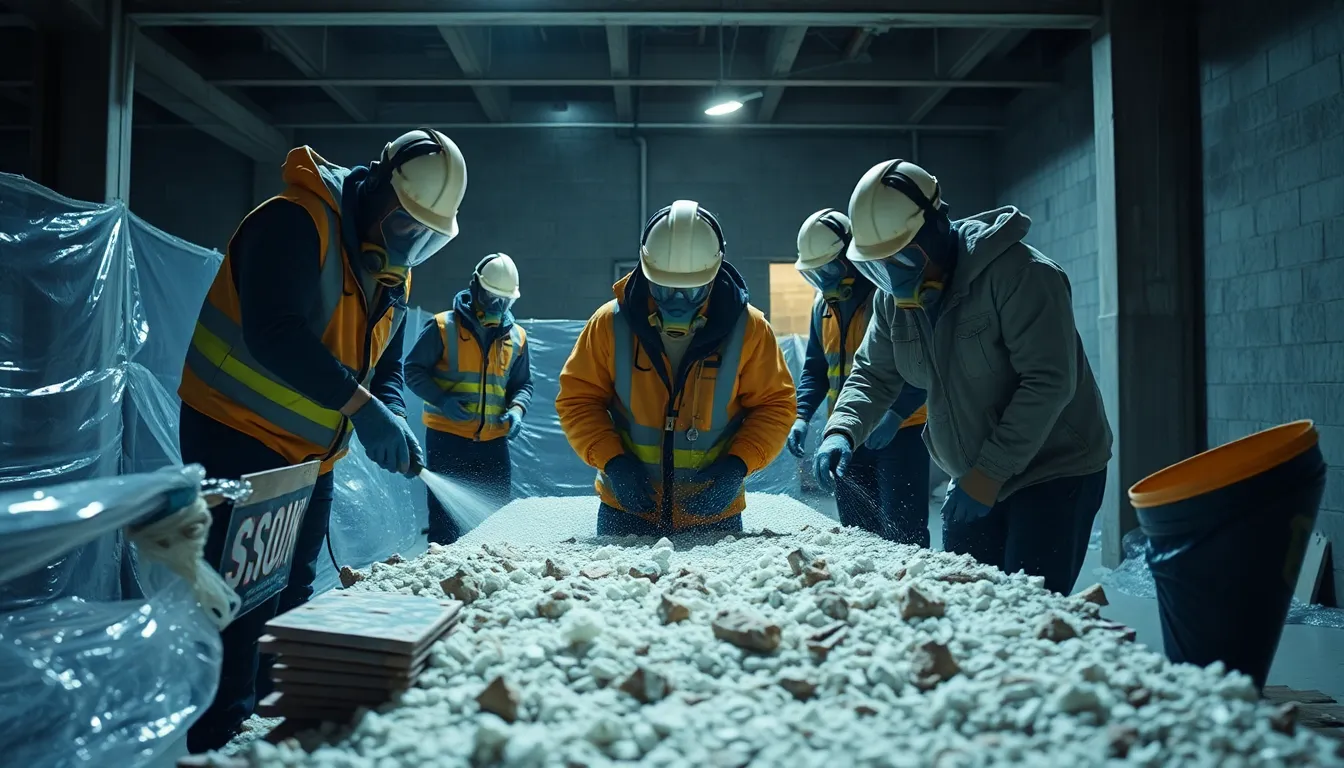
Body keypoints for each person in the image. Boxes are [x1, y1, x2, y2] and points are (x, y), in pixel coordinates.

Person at [177, 128, 467, 752]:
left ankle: (263, 721)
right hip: (236, 434)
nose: (409, 242)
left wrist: (387, 410)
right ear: (376, 188)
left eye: (425, 235)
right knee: (233, 598)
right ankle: (210, 738)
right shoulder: (292, 222)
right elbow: (274, 333)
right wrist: (362, 410)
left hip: (311, 456)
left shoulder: (392, 268)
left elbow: (384, 367)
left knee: (290, 585)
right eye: (404, 224)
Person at [814, 159, 1112, 595]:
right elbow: (872, 374)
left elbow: (1048, 383)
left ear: (934, 234)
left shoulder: (1022, 276)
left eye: (900, 259)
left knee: (1026, 605)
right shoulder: (894, 299)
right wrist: (841, 430)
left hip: (1053, 471)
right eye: (877, 265)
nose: (891, 278)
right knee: (966, 596)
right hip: (972, 471)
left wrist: (987, 475)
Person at [556, 200, 795, 535]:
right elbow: (577, 400)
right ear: (645, 271)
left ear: (713, 276)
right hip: (625, 509)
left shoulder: (750, 330)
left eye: (691, 292)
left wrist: (737, 466)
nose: (677, 303)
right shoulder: (609, 325)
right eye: (665, 290)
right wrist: (614, 463)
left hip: (714, 511)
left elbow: (775, 405)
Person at [788, 208, 931, 547]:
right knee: (857, 533)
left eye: (830, 268)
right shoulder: (821, 307)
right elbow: (815, 369)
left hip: (901, 431)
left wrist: (895, 416)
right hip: (849, 433)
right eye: (815, 272)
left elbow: (920, 365)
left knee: (904, 533)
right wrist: (801, 416)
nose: (824, 280)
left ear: (849, 258)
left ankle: (913, 595)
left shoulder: (888, 294)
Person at [404, 253, 533, 544]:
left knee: (495, 527)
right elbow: (412, 370)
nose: (498, 307)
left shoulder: (518, 338)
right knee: (444, 528)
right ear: (476, 289)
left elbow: (523, 384)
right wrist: (442, 400)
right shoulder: (442, 327)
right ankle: (442, 585)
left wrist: (516, 410)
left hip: (494, 446)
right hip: (448, 441)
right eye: (491, 298)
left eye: (505, 300)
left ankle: (489, 585)